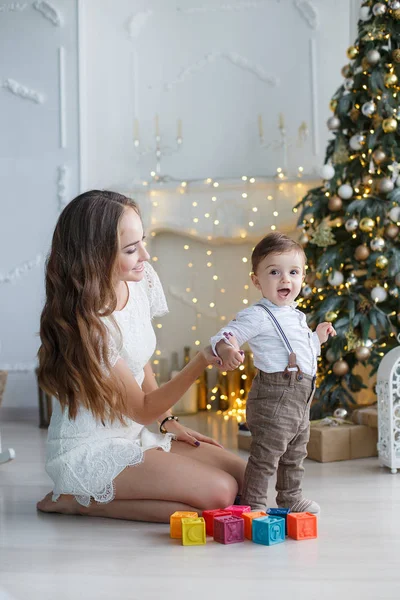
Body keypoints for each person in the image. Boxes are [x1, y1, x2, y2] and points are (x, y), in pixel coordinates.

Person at [36, 190, 245, 522]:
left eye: (142, 242)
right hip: (91, 448)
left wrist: (167, 421)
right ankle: (78, 499)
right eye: (131, 250)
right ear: (95, 257)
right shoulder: (91, 327)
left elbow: (139, 358)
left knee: (244, 475)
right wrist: (201, 360)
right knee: (220, 494)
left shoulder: (138, 280)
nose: (145, 255)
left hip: (134, 432)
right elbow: (141, 408)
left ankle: (97, 492)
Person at [211, 232, 336, 513]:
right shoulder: (258, 315)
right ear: (257, 280)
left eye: (293, 272)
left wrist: (317, 338)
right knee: (266, 455)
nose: (285, 279)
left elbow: (302, 354)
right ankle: (253, 503)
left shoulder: (295, 315)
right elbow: (227, 334)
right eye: (274, 272)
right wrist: (227, 347)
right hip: (275, 397)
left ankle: (290, 497)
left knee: (295, 453)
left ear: (303, 277)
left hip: (301, 396)